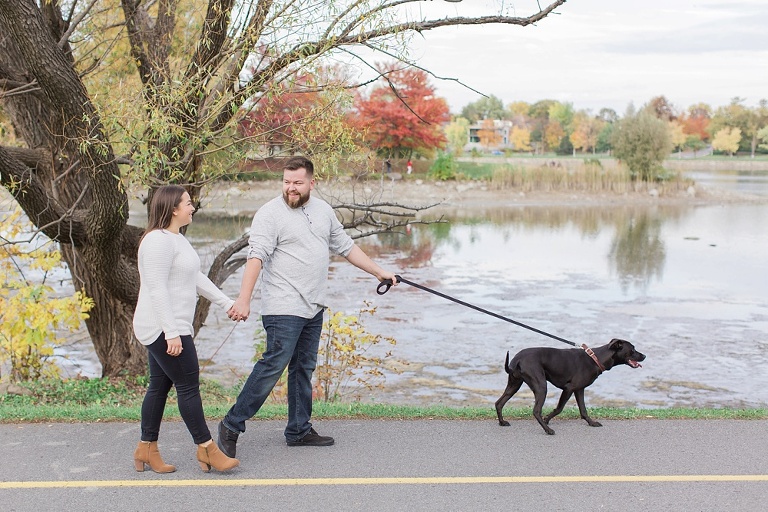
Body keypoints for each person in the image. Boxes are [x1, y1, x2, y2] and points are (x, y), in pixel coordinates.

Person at [218, 156, 398, 456]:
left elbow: (346, 246)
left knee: (303, 368)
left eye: (298, 183)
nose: (291, 188)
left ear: (312, 183)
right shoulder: (269, 214)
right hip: (283, 306)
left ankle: (299, 430)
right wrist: (244, 298)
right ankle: (231, 424)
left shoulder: (323, 211)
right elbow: (256, 256)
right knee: (273, 365)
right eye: (287, 182)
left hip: (313, 305)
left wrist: (378, 272)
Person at [132, 185, 240, 474]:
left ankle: (146, 448)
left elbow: (195, 277)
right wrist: (171, 332)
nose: (193, 207)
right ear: (173, 209)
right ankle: (207, 449)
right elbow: (156, 289)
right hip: (163, 326)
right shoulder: (157, 241)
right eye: (188, 203)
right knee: (188, 386)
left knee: (159, 386)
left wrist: (226, 303)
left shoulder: (177, 239)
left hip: (173, 325)